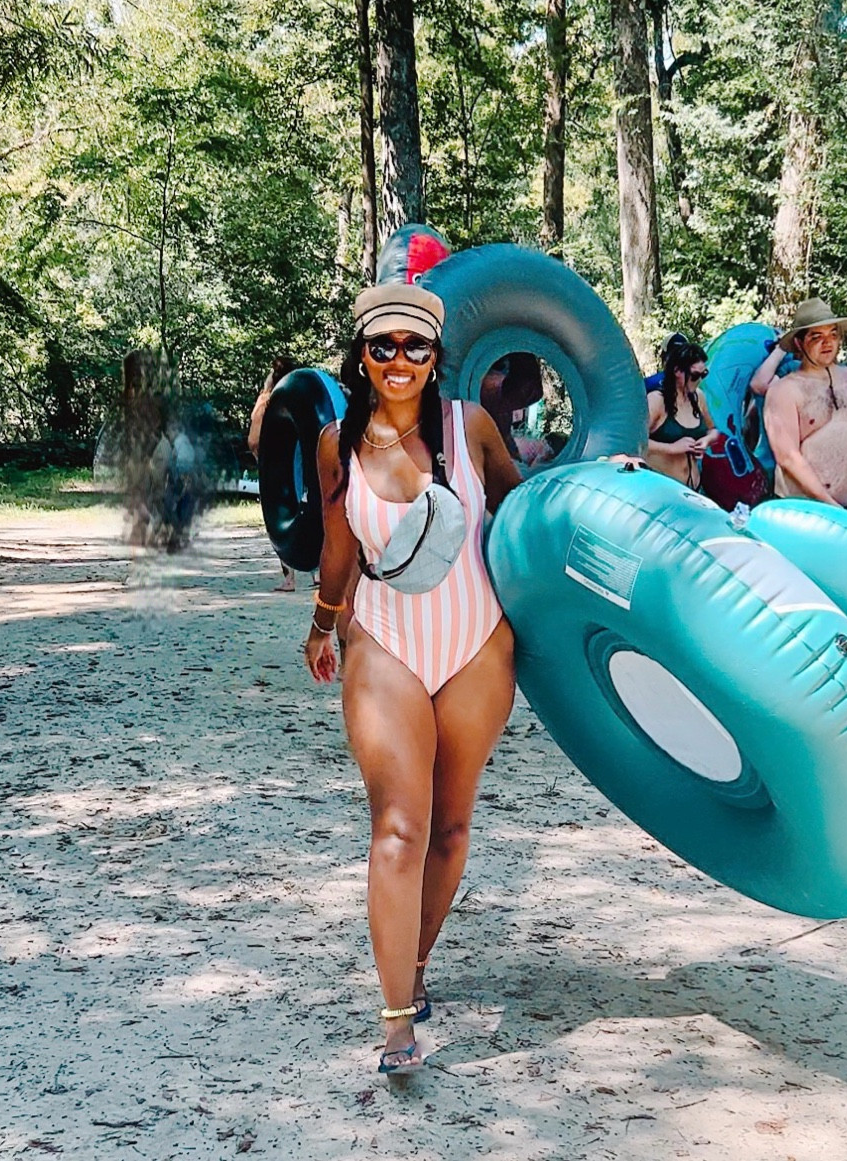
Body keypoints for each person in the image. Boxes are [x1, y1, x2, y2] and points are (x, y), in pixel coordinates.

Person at [302, 283, 521, 1076]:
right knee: (400, 825)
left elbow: (525, 512)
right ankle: (397, 1023)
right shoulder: (336, 441)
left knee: (452, 827)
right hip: (385, 642)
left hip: (476, 645)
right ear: (360, 353)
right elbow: (337, 546)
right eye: (382, 346)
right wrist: (324, 623)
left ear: (436, 357)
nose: (398, 360)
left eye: (415, 346)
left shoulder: (472, 429)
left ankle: (418, 965)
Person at [757, 298, 847, 507]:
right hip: (804, 510)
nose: (827, 342)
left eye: (833, 334)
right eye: (816, 336)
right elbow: (788, 457)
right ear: (799, 343)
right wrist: (832, 507)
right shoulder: (784, 390)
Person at [249, 355, 303, 591]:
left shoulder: (266, 400)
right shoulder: (299, 398)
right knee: (304, 510)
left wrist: (259, 458)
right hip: (297, 460)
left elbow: (254, 438)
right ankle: (315, 572)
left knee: (277, 517)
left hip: (273, 463)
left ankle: (289, 576)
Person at [645, 341, 718, 487]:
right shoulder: (656, 400)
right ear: (677, 371)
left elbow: (713, 430)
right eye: (694, 375)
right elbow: (635, 441)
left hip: (693, 486)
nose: (699, 380)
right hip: (662, 488)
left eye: (703, 374)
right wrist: (671, 448)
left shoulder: (698, 397)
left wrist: (706, 441)